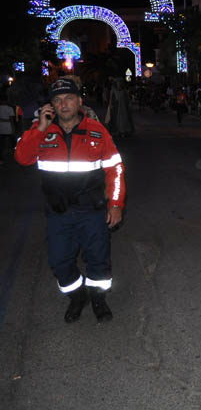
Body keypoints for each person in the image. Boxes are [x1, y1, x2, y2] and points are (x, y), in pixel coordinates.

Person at [14, 78, 125, 323]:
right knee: (59, 261)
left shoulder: (97, 131)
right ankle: (77, 296)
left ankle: (98, 298)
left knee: (98, 259)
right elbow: (22, 158)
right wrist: (40, 128)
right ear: (51, 105)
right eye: (57, 100)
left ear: (79, 102)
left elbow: (115, 169)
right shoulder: (41, 131)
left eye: (69, 98)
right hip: (58, 213)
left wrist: (115, 204)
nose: (63, 104)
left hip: (92, 211)